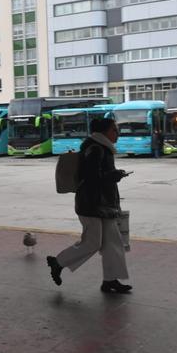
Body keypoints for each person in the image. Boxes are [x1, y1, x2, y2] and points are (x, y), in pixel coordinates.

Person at [47, 118, 133, 294]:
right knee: (92, 243)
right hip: (92, 204)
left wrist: (113, 175)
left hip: (104, 204)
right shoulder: (95, 149)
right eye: (114, 130)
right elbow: (92, 179)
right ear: (104, 132)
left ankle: (110, 280)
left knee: (113, 243)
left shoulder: (102, 148)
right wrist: (114, 175)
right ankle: (58, 262)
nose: (117, 133)